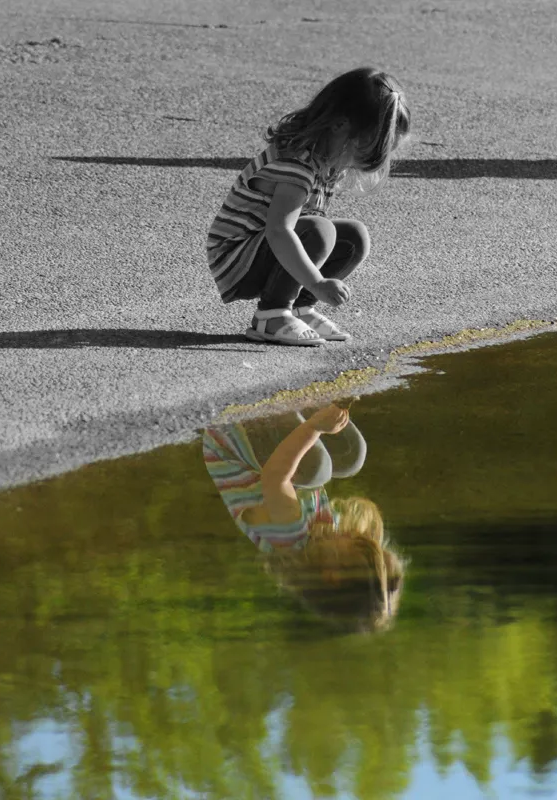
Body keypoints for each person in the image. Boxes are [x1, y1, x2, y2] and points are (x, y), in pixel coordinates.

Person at [206, 66, 411, 346]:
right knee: (318, 229)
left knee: (353, 236)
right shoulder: (296, 166)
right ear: (340, 125)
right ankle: (271, 315)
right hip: (235, 260)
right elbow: (279, 231)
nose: (356, 163)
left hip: (262, 252)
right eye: (363, 149)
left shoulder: (323, 159)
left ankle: (300, 308)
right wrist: (316, 282)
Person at [203, 404, 404, 632]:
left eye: (358, 544)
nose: (356, 532)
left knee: (317, 469)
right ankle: (319, 402)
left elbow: (275, 477)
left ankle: (280, 404)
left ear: (333, 574)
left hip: (230, 439)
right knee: (352, 457)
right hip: (266, 451)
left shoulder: (288, 537)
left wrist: (314, 428)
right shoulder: (324, 534)